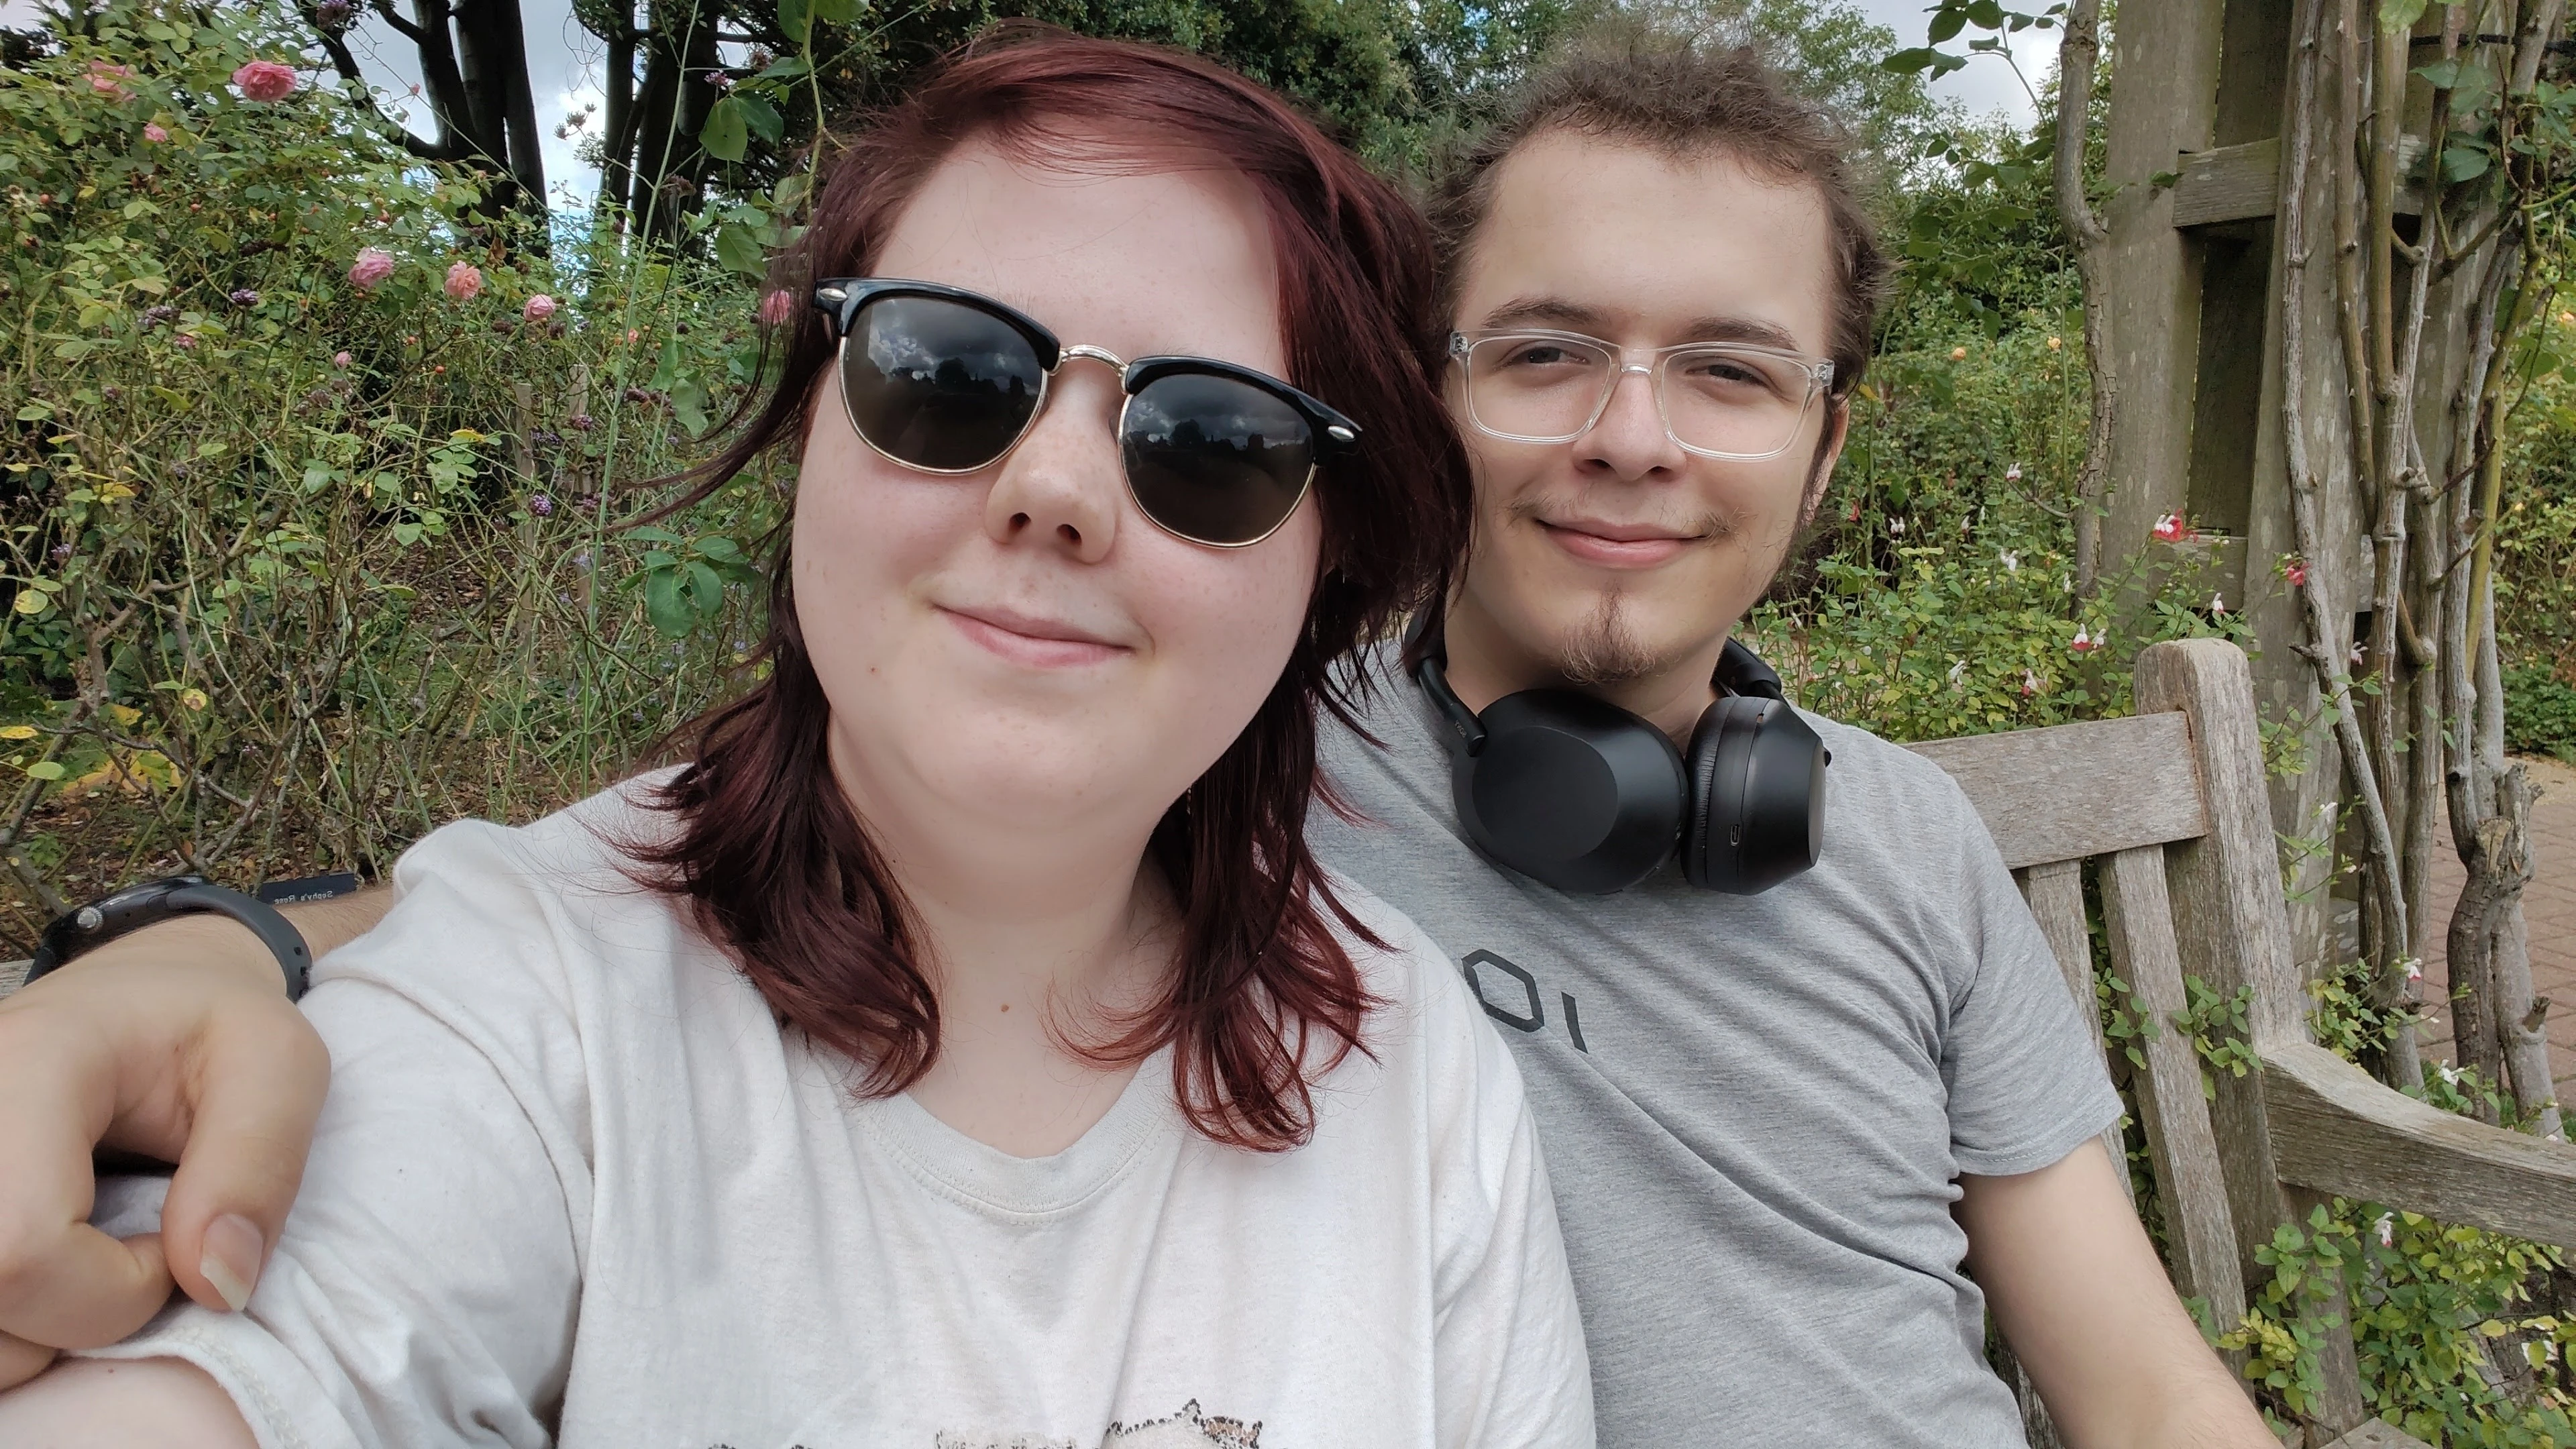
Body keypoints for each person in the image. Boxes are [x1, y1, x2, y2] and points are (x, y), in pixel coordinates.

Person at [0, 28, 2273, 1449]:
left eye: (1734, 370)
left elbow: (2144, 1391)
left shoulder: (1895, 850)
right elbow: (646, 902)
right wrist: (199, 949)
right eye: (1549, 350)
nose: (1635, 441)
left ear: (1828, 446)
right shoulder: (1207, 733)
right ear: (1415, 422)